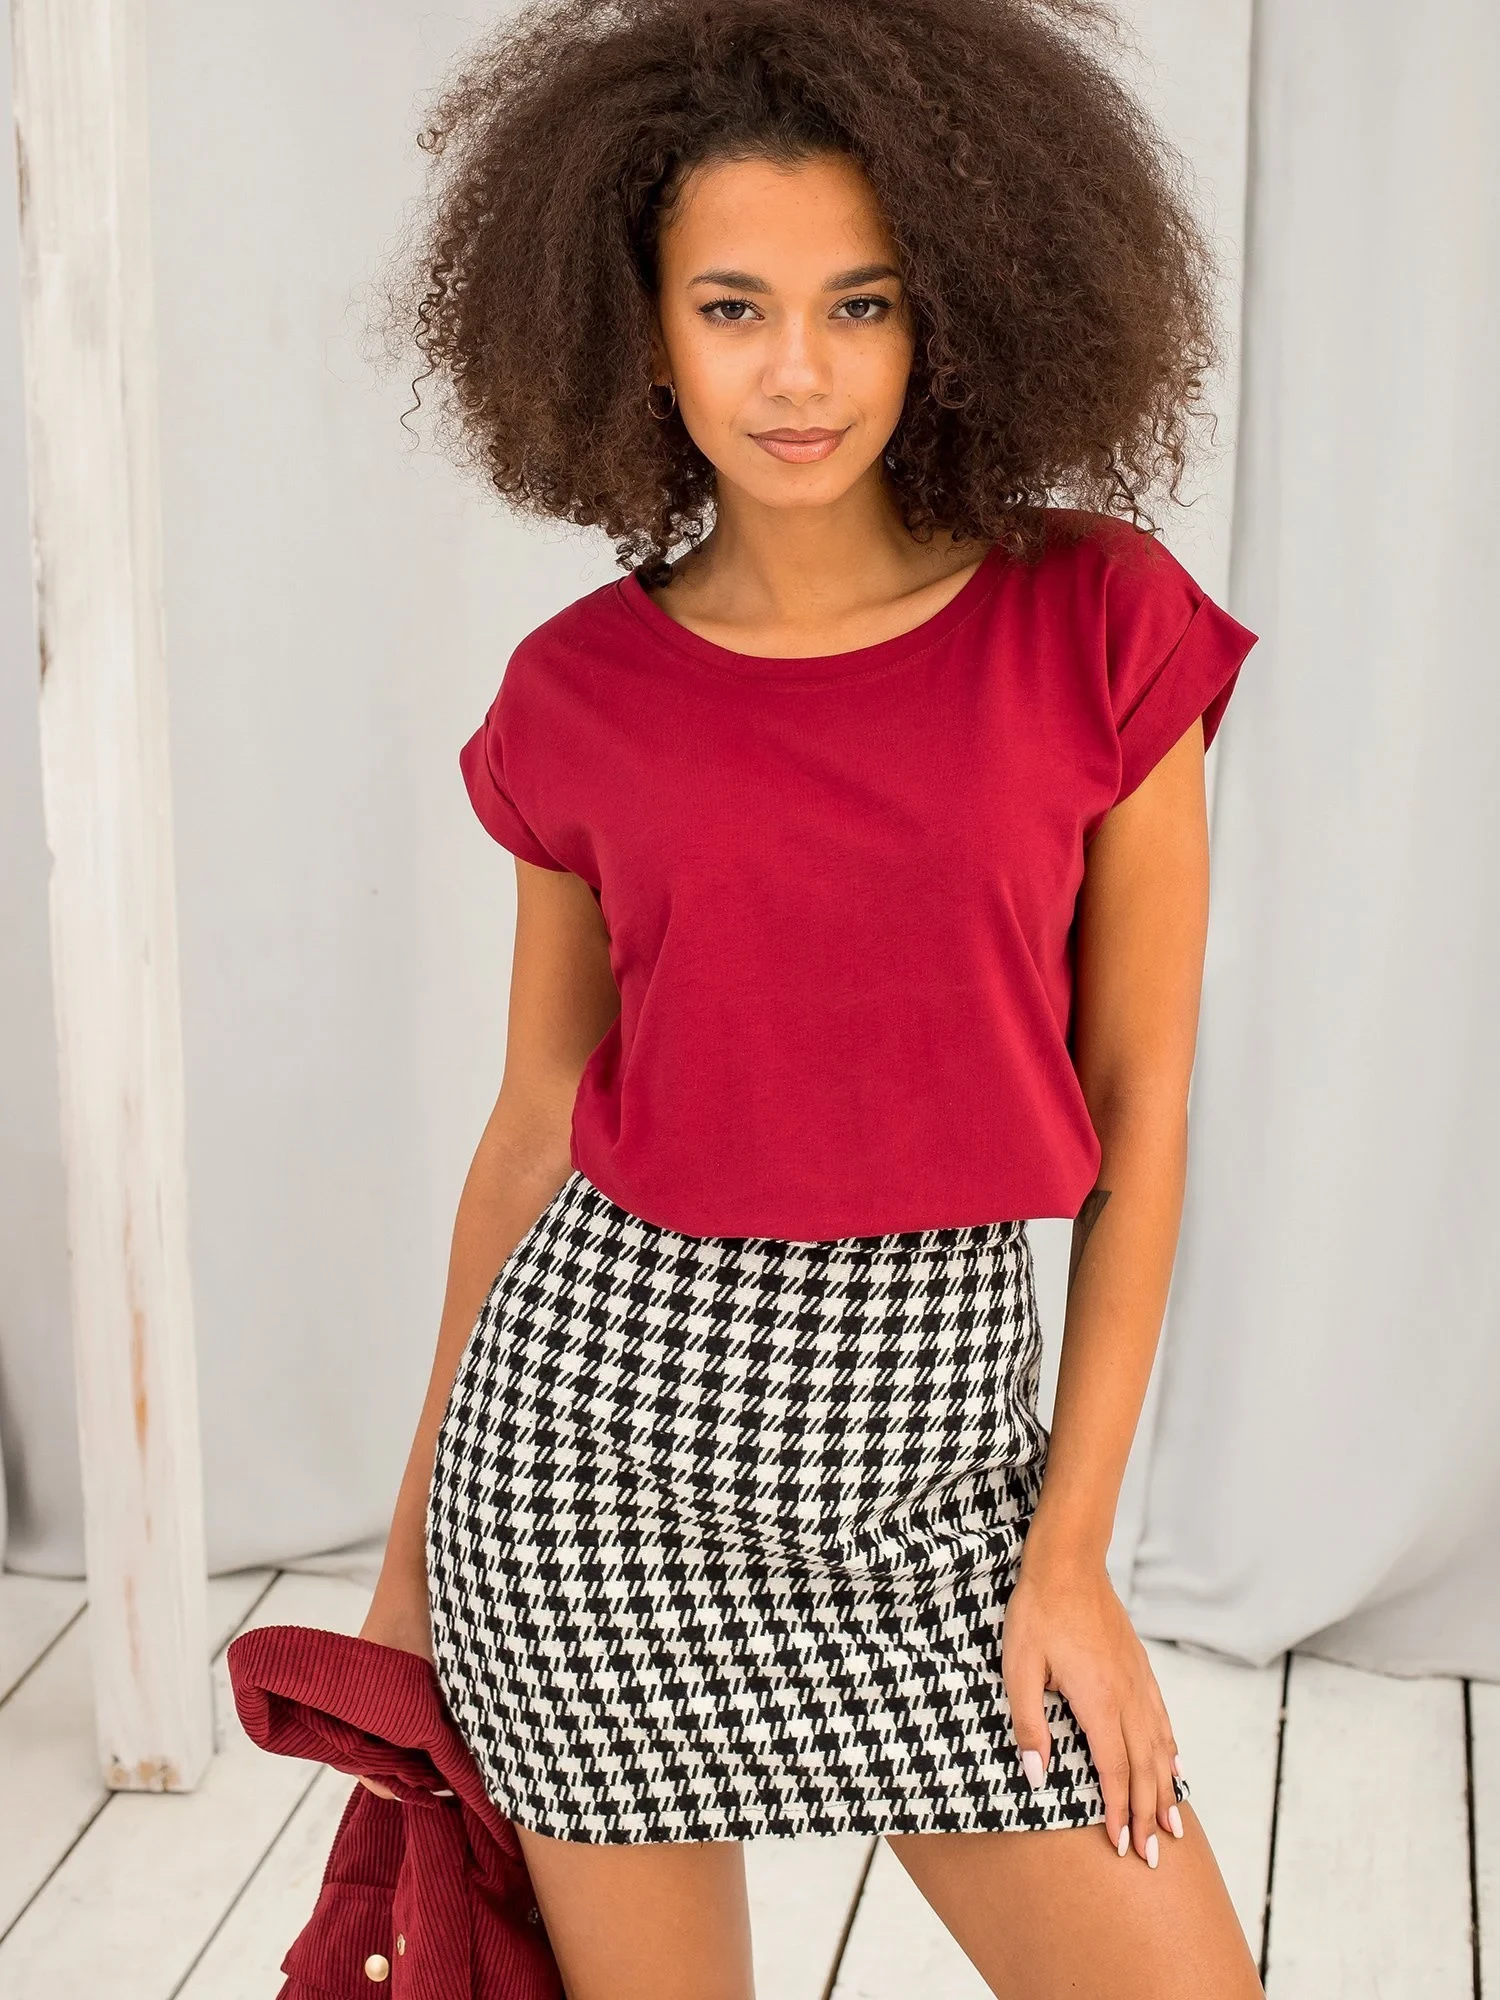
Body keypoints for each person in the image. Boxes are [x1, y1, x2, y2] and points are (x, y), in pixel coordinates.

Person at [357, 0, 1265, 1993]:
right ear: (640, 334)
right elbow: (534, 1125)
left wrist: (1071, 1555)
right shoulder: (577, 693)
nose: (797, 371)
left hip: (949, 1486)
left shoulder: (1100, 623)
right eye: (733, 308)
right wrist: (406, 1581)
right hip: (588, 1483)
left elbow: (1144, 1104)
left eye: (861, 305)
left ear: (952, 310)